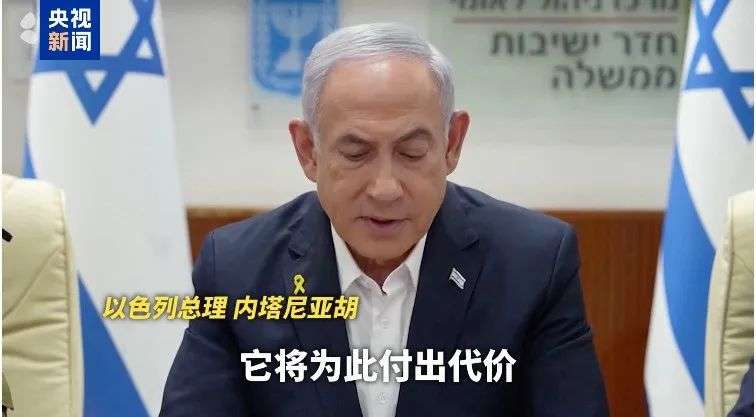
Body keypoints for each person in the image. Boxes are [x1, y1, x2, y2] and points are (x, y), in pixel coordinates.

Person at [160, 22, 608, 417]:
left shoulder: (533, 263)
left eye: (412, 152)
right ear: (308, 151)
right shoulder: (237, 269)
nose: (385, 188)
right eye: (356, 153)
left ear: (452, 143)